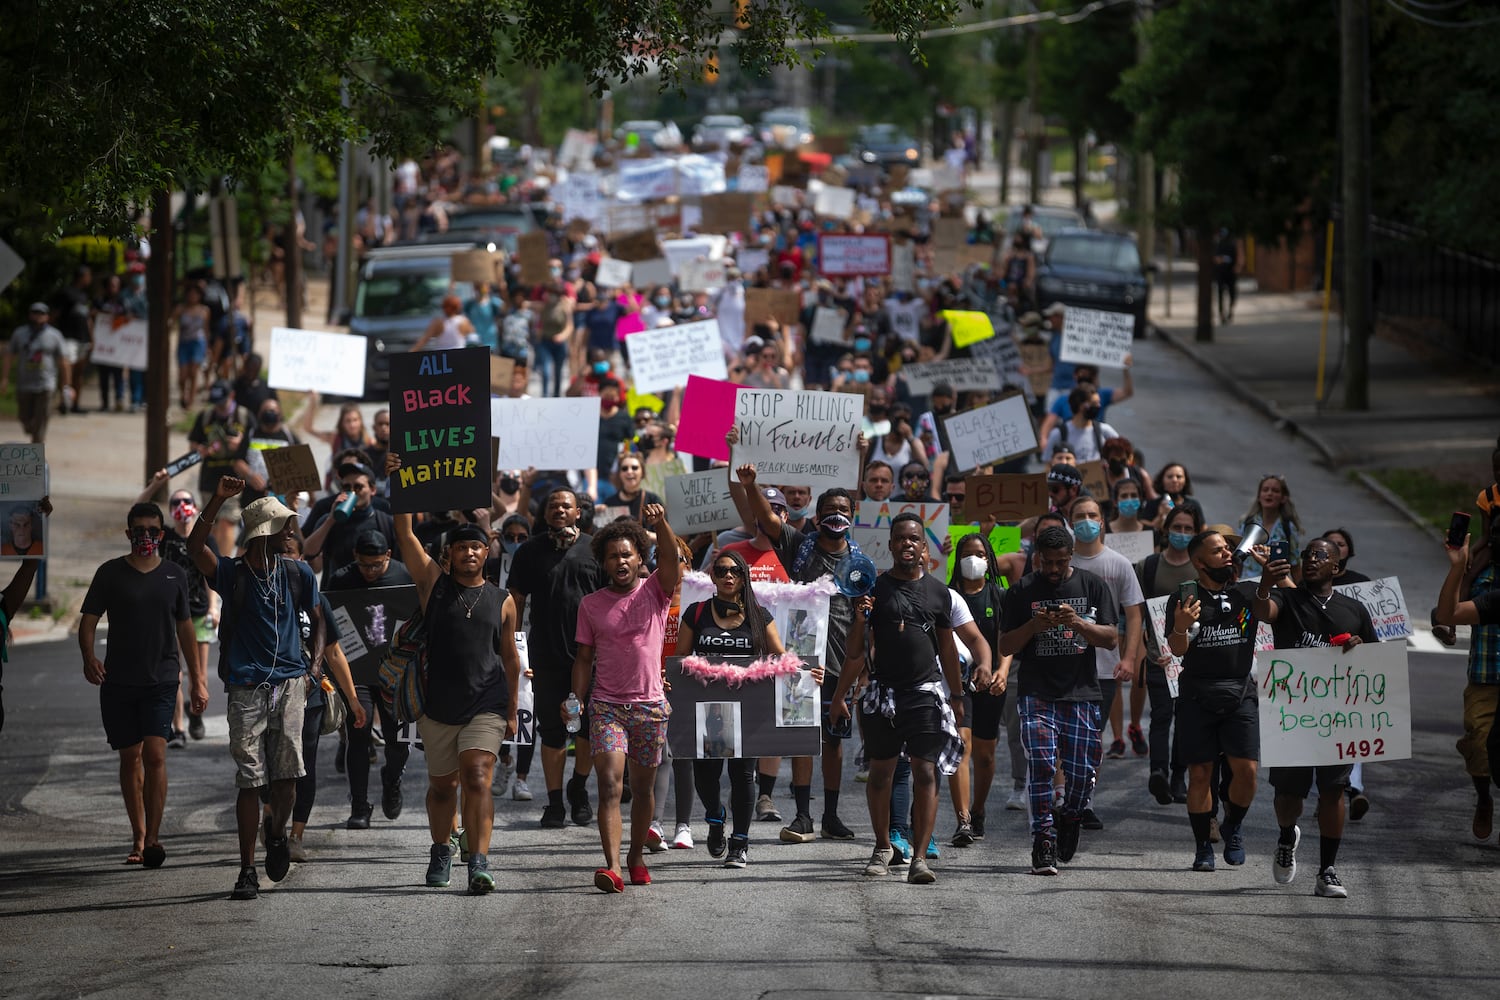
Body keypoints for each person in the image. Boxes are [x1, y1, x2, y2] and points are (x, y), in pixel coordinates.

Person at [389, 460, 521, 894]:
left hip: (486, 701)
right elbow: (406, 535)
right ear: (449, 555)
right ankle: (442, 848)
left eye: (476, 547)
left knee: (478, 775)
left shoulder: (503, 600)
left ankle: (479, 862)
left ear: (488, 553)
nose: (468, 553)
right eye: (461, 547)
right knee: (443, 787)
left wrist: (513, 708)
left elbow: (509, 659)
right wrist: (401, 479)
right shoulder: (433, 584)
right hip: (438, 704)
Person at [187, 478, 322, 901]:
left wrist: (313, 667)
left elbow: (319, 623)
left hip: (290, 685)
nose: (291, 531)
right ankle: (246, 869)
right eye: (284, 525)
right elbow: (195, 549)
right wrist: (217, 499)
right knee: (249, 778)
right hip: (246, 687)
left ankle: (277, 833)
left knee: (287, 779)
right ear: (264, 531)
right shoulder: (232, 573)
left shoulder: (298, 572)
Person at [832, 514, 964, 884]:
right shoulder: (874, 589)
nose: (907, 544)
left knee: (925, 772)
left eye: (914, 539)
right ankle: (881, 847)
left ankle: (920, 858)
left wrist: (957, 696)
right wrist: (839, 695)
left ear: (924, 547)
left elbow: (948, 650)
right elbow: (856, 652)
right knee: (881, 774)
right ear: (889, 546)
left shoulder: (940, 593)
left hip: (924, 695)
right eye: (900, 539)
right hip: (881, 695)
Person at [737, 464, 861, 842]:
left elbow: (864, 621)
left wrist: (864, 669)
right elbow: (766, 519)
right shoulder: (799, 544)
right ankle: (804, 816)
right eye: (829, 512)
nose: (836, 517)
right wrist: (751, 484)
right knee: (803, 737)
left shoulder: (861, 565)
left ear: (852, 517)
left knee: (834, 741)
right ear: (818, 516)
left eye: (843, 511)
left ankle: (832, 816)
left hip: (841, 663)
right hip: (802, 660)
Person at [78, 501, 204, 868]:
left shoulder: (174, 574)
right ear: (128, 533)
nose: (145, 537)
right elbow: (88, 621)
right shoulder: (110, 574)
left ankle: (153, 838)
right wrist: (88, 658)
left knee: (156, 754)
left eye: (152, 531)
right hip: (118, 681)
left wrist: (197, 680)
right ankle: (137, 832)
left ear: (161, 535)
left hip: (162, 679)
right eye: (139, 530)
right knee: (130, 757)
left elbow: (185, 627)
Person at [1254, 537, 1377, 898]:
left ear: (1336, 568)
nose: (1311, 560)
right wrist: (1265, 583)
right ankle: (1285, 836)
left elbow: (1374, 665)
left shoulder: (1354, 610)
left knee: (1333, 791)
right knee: (1288, 797)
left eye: (1320, 556)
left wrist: (1356, 650)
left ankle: (1327, 870)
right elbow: (1263, 613)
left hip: (1335, 718)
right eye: (1307, 555)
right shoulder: (1286, 599)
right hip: (1292, 714)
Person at [571, 504, 682, 892]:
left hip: (650, 708)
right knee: (609, 785)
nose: (620, 561)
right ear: (603, 562)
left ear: (639, 558)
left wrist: (660, 524)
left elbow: (672, 557)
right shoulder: (591, 605)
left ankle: (636, 856)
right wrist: (576, 698)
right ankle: (613, 866)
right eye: (612, 555)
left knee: (644, 789)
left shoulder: (656, 590)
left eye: (626, 554)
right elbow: (584, 657)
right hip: (606, 708)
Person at [999, 525, 1119, 876]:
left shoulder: (1092, 585)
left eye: (1060, 562)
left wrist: (1078, 624)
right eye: (1046, 562)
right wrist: (1033, 627)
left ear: (1071, 557)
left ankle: (1071, 815)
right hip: (1036, 693)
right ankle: (1043, 841)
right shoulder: (1021, 591)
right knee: (1042, 765)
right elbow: (1005, 646)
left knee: (1082, 773)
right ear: (1036, 557)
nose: (1052, 569)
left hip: (1080, 693)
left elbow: (1111, 638)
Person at [677, 548, 805, 869]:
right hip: (708, 707)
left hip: (748, 705)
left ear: (744, 575)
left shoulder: (760, 616)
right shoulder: (696, 613)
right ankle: (716, 817)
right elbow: (678, 661)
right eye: (721, 571)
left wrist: (805, 668)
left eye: (734, 571)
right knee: (706, 775)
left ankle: (740, 843)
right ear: (713, 576)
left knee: (742, 774)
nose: (728, 576)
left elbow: (779, 655)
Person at [1165, 528, 1264, 873]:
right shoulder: (1184, 597)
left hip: (1240, 692)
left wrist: (1269, 572)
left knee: (1247, 772)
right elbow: (1178, 650)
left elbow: (1283, 605)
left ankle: (1233, 825)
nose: (1226, 554)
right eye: (1218, 550)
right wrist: (1180, 625)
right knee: (1201, 774)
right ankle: (1203, 847)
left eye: (1228, 549)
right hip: (1196, 696)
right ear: (1198, 561)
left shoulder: (1248, 592)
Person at [508, 487, 602, 829]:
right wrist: (516, 650)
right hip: (545, 658)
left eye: (566, 505)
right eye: (553, 505)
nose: (559, 510)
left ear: (579, 512)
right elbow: (515, 599)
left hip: (589, 660)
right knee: (551, 732)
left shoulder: (595, 548)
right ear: (544, 513)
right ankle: (554, 802)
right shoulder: (529, 552)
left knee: (586, 729)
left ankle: (578, 788)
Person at [278, 533, 366, 863]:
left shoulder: (317, 600)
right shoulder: (264, 594)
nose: (287, 560)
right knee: (272, 765)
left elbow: (335, 651)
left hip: (310, 697)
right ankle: (273, 819)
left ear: (304, 559)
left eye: (293, 554)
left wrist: (353, 699)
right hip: (271, 693)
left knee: (305, 767)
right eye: (280, 553)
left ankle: (296, 836)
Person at [325, 530, 415, 829]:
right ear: (355, 559)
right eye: (365, 565)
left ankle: (391, 780)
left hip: (394, 672)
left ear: (388, 555)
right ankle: (360, 805)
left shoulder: (404, 574)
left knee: (396, 739)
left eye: (377, 565)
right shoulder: (341, 579)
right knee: (359, 735)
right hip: (357, 672)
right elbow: (331, 627)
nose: (371, 571)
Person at [1065, 496, 1145, 826]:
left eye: (1092, 515)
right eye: (1079, 516)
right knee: (1064, 737)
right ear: (1070, 522)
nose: (1086, 521)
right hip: (1063, 663)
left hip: (1104, 668)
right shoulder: (1061, 562)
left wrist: (1128, 658)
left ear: (1102, 521)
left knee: (1091, 738)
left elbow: (1134, 614)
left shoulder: (1118, 564)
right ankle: (1062, 797)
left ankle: (1084, 800)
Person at [138, 474, 218, 745]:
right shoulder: (165, 537)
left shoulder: (205, 537)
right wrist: (156, 487)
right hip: (169, 613)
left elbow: (212, 575)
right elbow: (136, 513)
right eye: (176, 502)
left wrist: (214, 608)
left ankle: (196, 714)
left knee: (199, 671)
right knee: (174, 672)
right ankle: (178, 728)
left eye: (187, 501)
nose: (182, 506)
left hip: (198, 611)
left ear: (195, 507)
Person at [1137, 501, 1206, 805]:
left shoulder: (1202, 569)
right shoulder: (1148, 566)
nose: (1181, 533)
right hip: (1158, 657)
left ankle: (1179, 776)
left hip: (1192, 659)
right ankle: (1158, 774)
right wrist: (1147, 650)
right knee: (1161, 715)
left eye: (1188, 529)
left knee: (1185, 718)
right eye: (1176, 527)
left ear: (1197, 532)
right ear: (1166, 530)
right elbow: (1136, 614)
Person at [948, 532, 1010, 842]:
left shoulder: (999, 595)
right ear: (957, 560)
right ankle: (964, 821)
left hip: (991, 685)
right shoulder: (946, 595)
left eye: (981, 554)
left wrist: (1002, 670)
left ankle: (979, 808)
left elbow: (1006, 640)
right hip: (957, 685)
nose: (974, 559)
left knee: (985, 755)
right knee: (961, 744)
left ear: (989, 560)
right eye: (968, 554)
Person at [302, 461, 395, 588]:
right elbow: (307, 552)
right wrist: (331, 520)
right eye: (347, 488)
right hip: (339, 595)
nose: (352, 492)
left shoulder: (385, 522)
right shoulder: (330, 521)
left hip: (377, 597)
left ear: (372, 490)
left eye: (358, 487)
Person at [3, 303, 71, 443]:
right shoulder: (19, 333)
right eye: (35, 312)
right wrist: (4, 378)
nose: (38, 316)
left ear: (47, 316)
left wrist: (66, 386)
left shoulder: (55, 335)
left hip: (46, 385)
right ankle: (34, 433)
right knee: (25, 420)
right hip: (24, 384)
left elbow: (64, 361)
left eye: (41, 313)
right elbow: (9, 356)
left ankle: (36, 456)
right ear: (30, 315)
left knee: (40, 425)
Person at [298, 392, 375, 493]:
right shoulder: (335, 438)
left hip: (360, 489)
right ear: (342, 423)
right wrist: (312, 402)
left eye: (355, 420)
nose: (352, 424)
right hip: (337, 489)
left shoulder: (369, 441)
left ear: (361, 421)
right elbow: (308, 428)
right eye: (348, 421)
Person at [231, 398, 300, 508]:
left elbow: (302, 467)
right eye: (266, 410)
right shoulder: (251, 434)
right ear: (259, 414)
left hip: (281, 501)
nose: (269, 413)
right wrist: (250, 475)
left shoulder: (289, 437)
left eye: (273, 410)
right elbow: (237, 462)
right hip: (253, 499)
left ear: (280, 413)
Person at [1239, 474, 1303, 582]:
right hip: (1247, 583)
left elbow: (1295, 565)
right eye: (1265, 490)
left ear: (1283, 498)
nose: (1269, 493)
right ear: (1259, 496)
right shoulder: (1247, 523)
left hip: (1275, 587)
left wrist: (1301, 593)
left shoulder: (1288, 528)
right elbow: (1238, 559)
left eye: (1275, 491)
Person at [1043, 385, 1118, 465]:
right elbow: (1048, 464)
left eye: (1098, 402)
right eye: (1094, 403)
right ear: (1081, 406)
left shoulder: (1105, 431)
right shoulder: (1058, 434)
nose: (1098, 406)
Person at [173, 284, 212, 409]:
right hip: (184, 343)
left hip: (198, 343)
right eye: (190, 293)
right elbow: (172, 325)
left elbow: (206, 330)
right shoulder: (180, 309)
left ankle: (190, 400)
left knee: (193, 372)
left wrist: (207, 347)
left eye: (195, 294)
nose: (192, 296)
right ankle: (183, 394)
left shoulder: (204, 311)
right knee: (183, 375)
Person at [410, 294, 475, 352]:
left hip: (442, 360)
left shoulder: (438, 322)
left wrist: (410, 353)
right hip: (459, 357)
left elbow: (424, 339)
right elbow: (473, 337)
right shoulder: (464, 321)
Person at [1213, 227, 1239, 324]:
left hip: (1230, 273)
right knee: (1220, 294)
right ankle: (1221, 314)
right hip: (1221, 273)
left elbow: (1236, 258)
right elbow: (1216, 258)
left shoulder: (1232, 245)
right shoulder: (1218, 245)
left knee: (1232, 294)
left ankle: (1230, 312)